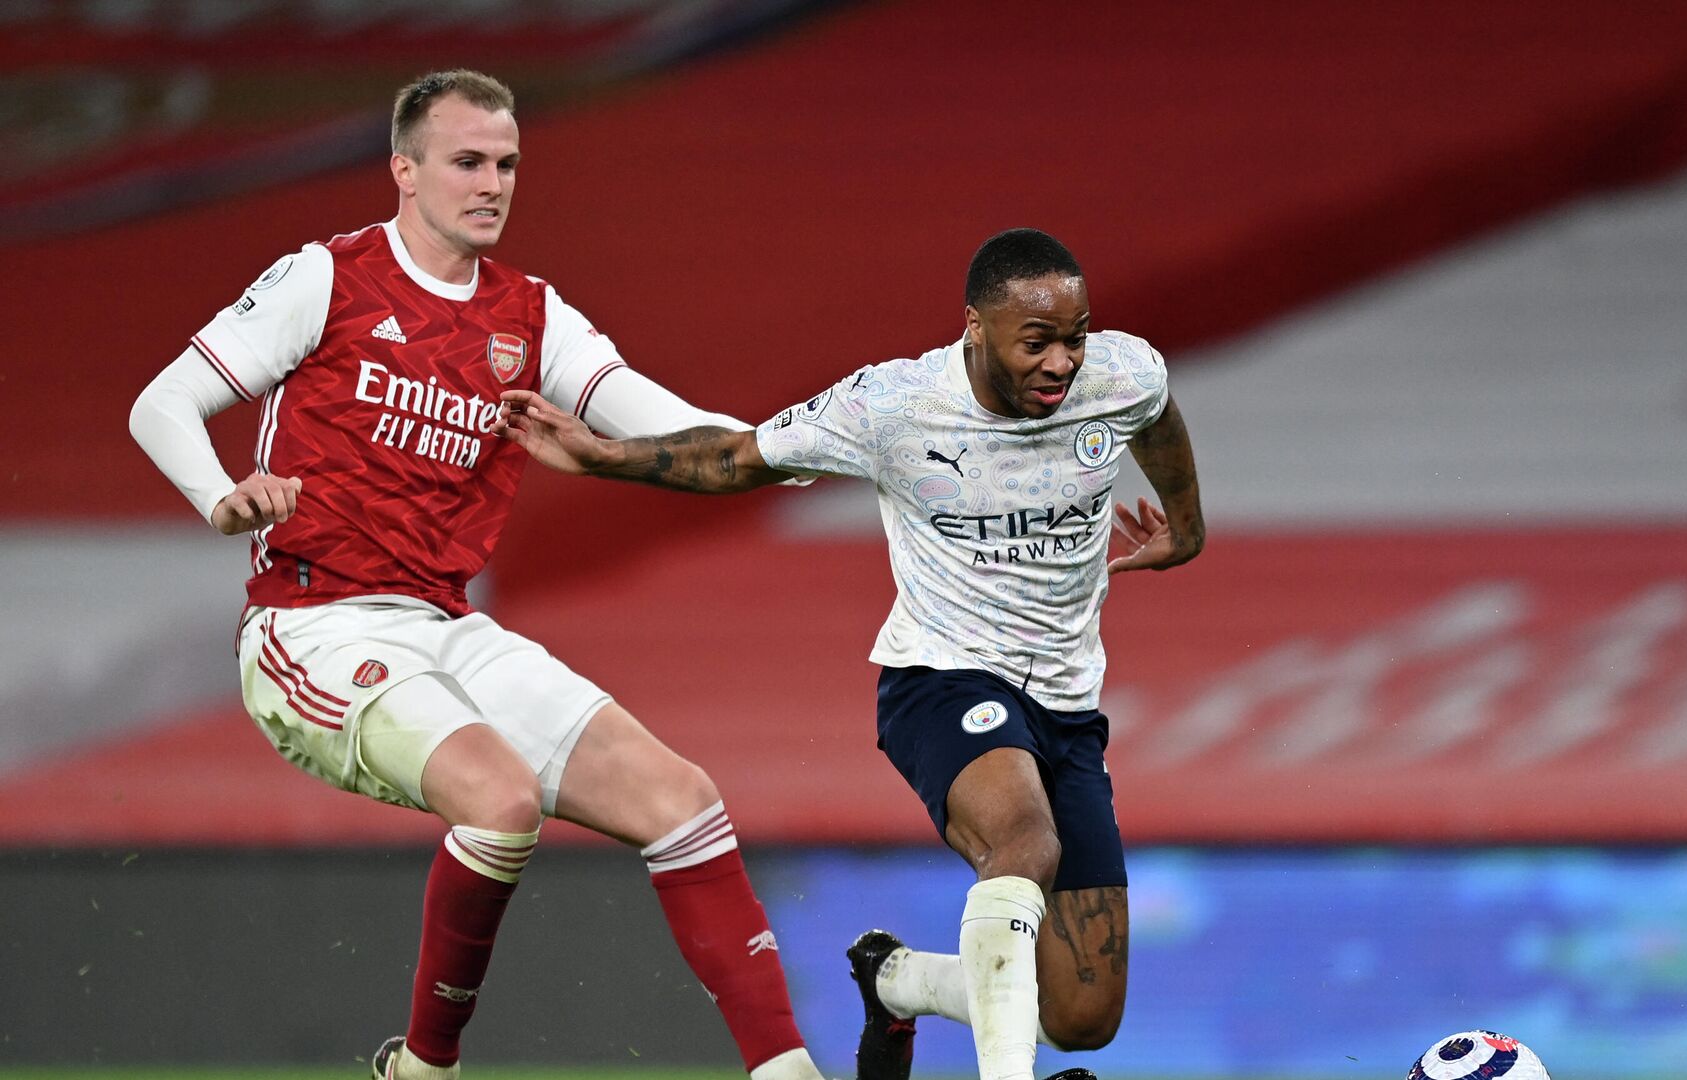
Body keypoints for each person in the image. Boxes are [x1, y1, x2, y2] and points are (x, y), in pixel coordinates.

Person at [127, 70, 836, 1080]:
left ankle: (786, 1072)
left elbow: (670, 424)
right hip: (313, 624)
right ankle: (428, 1066)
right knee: (500, 800)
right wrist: (219, 496)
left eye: (507, 164)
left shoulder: (532, 317)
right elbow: (162, 404)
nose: (493, 183)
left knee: (680, 798)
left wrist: (826, 445)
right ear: (403, 171)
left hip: (445, 628)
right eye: (467, 162)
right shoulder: (327, 279)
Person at [493, 227, 1207, 1080]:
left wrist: (1187, 528)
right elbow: (738, 456)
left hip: (1066, 705)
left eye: (1076, 336)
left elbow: (1155, 415)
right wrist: (604, 455)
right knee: (1027, 842)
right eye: (1038, 342)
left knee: (1081, 1017)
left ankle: (895, 982)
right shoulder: (892, 406)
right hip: (942, 679)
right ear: (975, 329)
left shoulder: (1123, 375)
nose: (1063, 362)